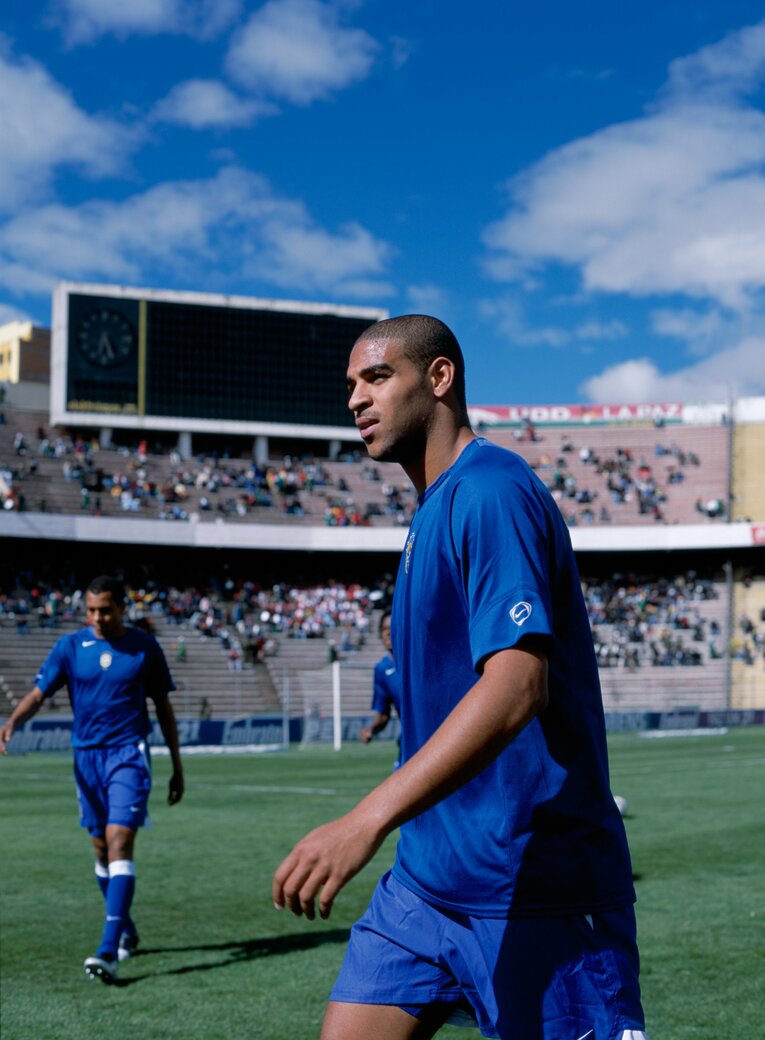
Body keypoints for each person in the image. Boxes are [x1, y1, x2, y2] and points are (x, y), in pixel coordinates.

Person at [273, 315, 646, 1040]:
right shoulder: (432, 509)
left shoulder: (489, 492)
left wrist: (364, 819)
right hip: (425, 886)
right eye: (349, 383)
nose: (354, 398)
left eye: (376, 377)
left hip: (533, 887)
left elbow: (515, 686)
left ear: (438, 379)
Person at [0, 575, 184, 984]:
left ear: (122, 607)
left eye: (105, 609)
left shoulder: (144, 648)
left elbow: (164, 710)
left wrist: (177, 764)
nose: (97, 617)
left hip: (128, 755)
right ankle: (126, 929)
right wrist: (12, 722)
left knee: (120, 840)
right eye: (91, 610)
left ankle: (108, 949)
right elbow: (37, 693)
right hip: (86, 760)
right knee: (101, 848)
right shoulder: (70, 647)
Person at [358, 611, 401, 768]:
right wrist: (372, 729)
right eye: (384, 629)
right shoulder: (382, 670)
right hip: (409, 743)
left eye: (392, 627)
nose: (388, 633)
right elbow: (383, 714)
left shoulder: (420, 660)